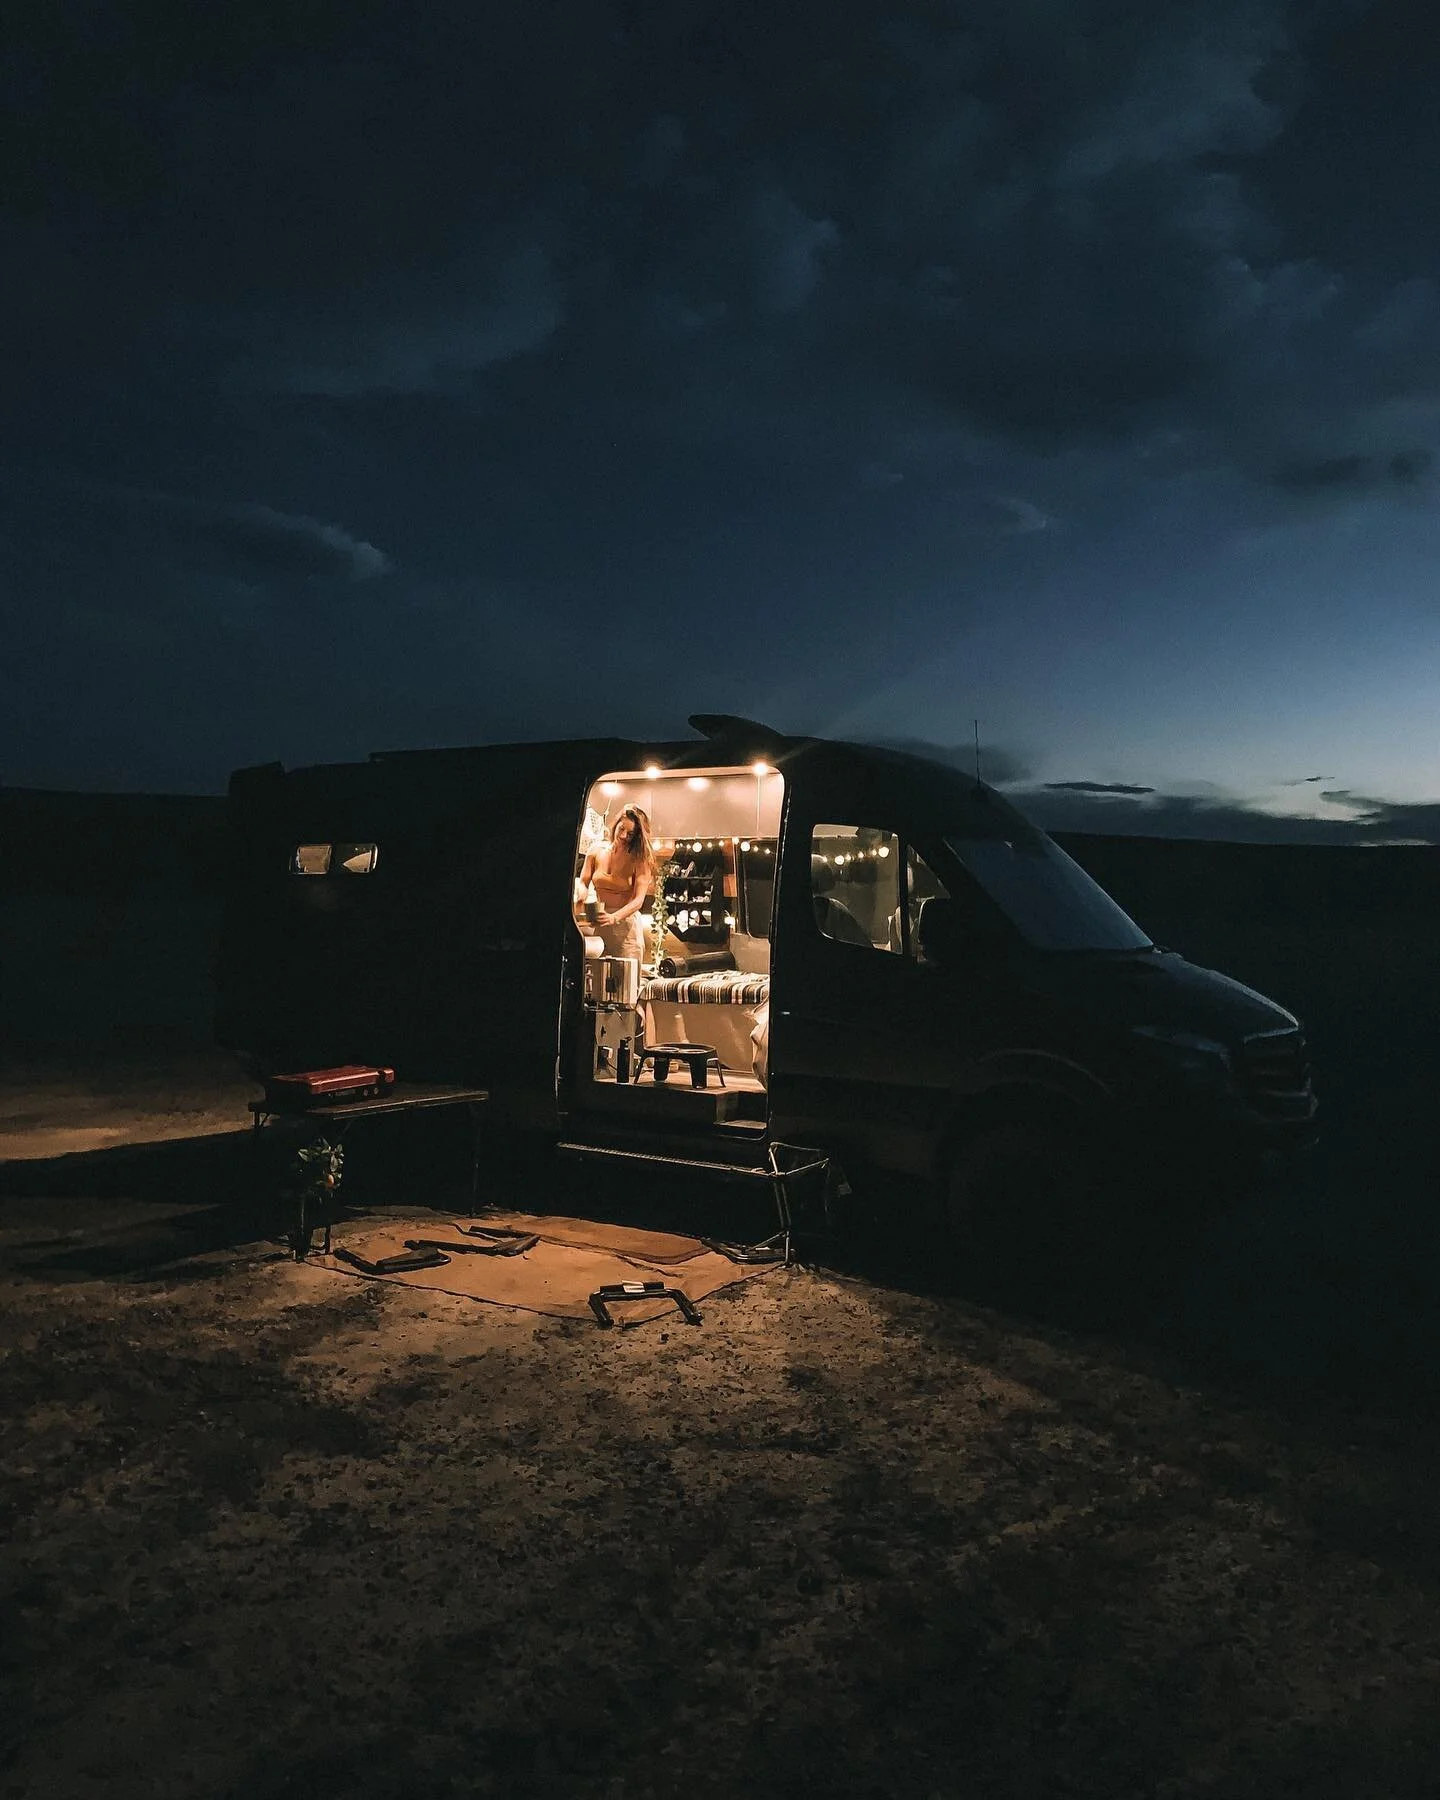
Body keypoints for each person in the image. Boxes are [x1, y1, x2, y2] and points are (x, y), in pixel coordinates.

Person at [576, 804, 655, 963]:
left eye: (631, 834)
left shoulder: (639, 858)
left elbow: (638, 901)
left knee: (625, 984)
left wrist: (614, 917)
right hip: (600, 926)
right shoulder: (596, 850)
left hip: (626, 929)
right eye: (622, 829)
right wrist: (581, 894)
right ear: (616, 824)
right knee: (597, 980)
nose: (624, 835)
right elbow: (583, 882)